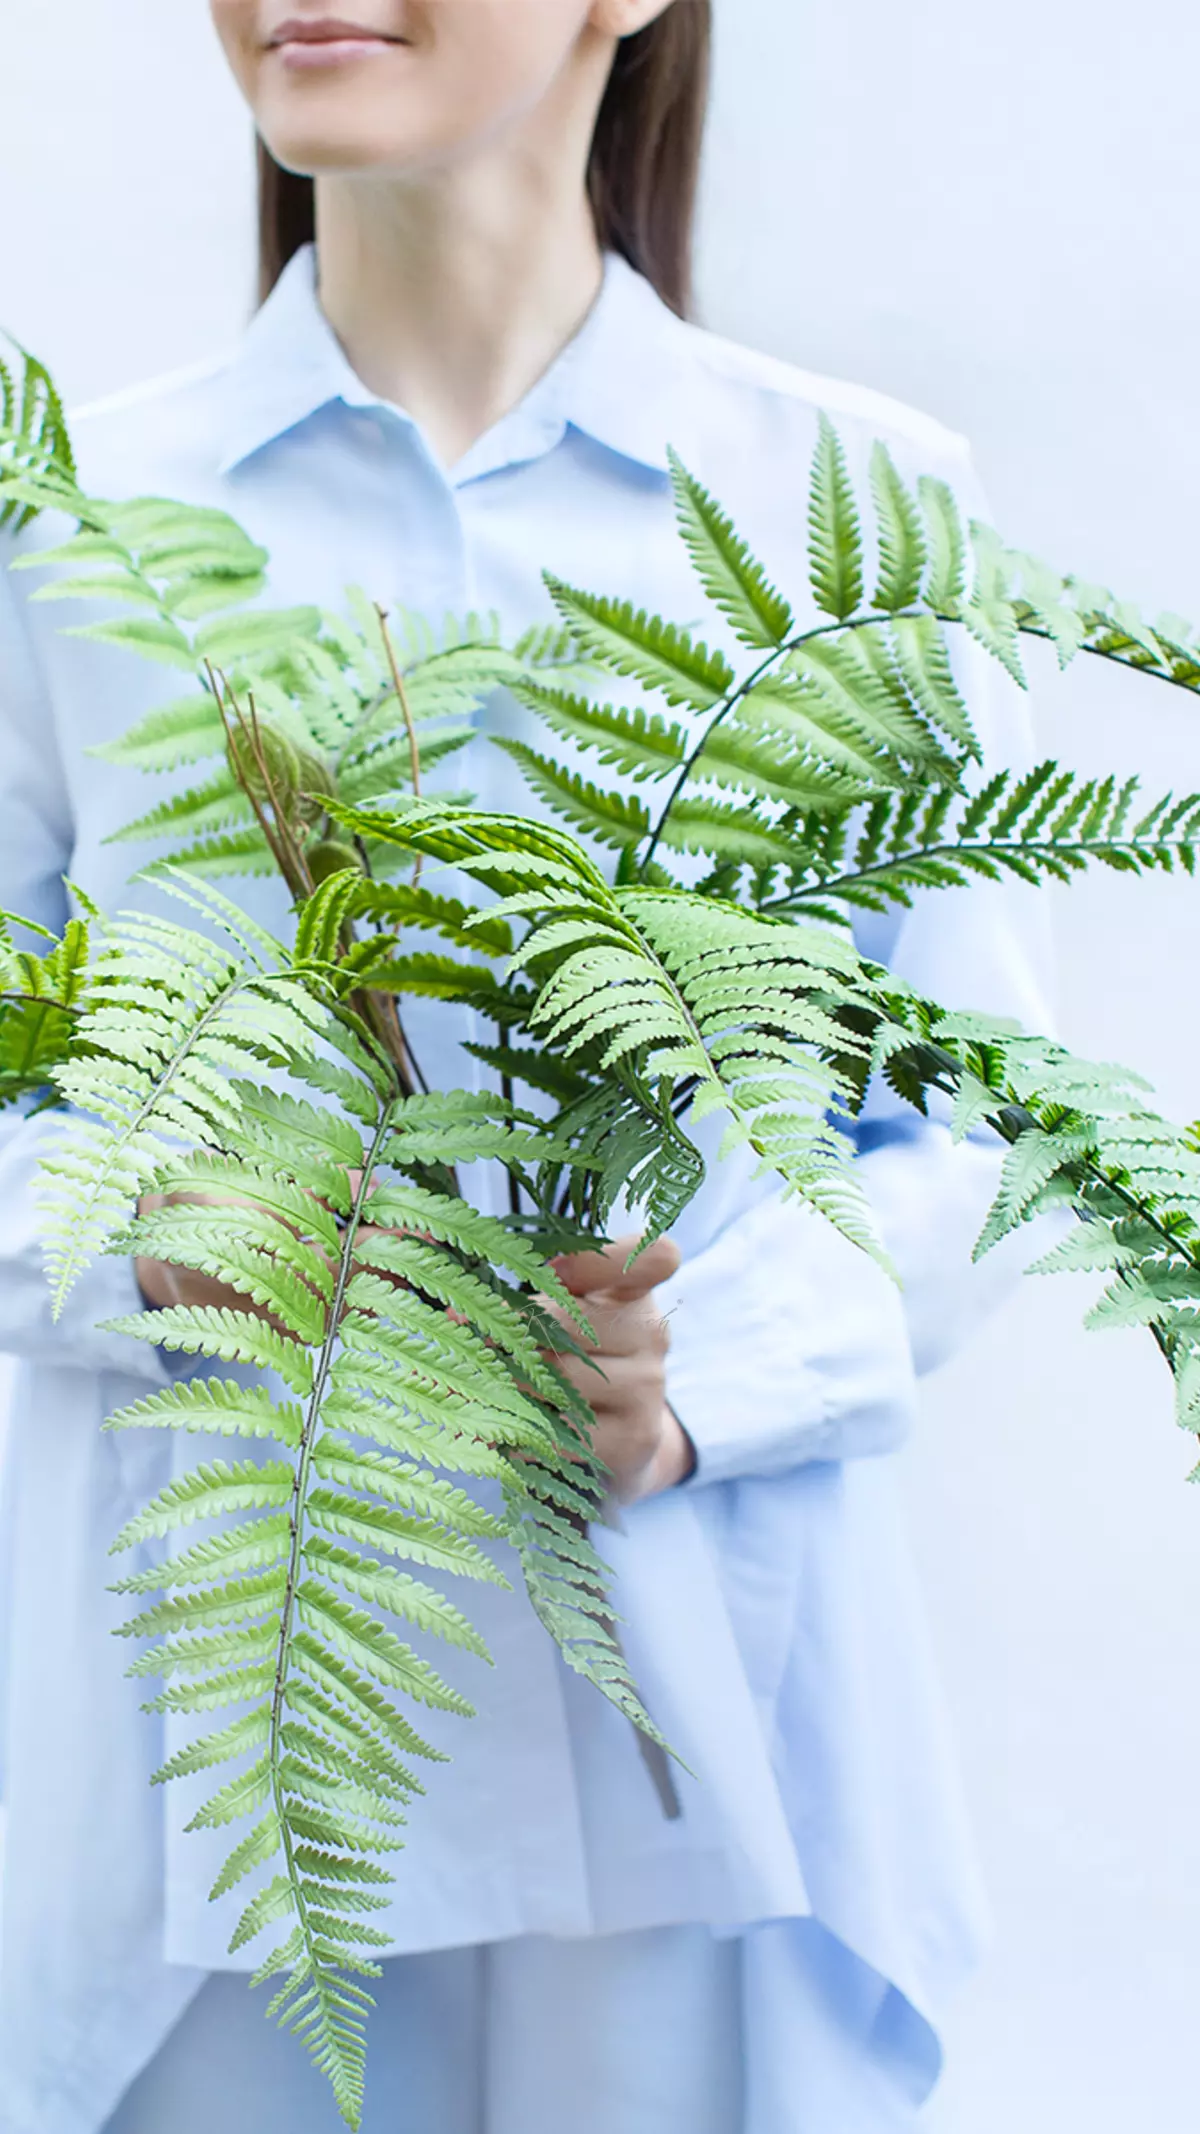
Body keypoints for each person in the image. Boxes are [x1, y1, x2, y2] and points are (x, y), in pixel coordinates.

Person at [0, 5, 1052, 2130]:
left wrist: (698, 1375)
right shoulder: (77, 526)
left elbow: (991, 1125)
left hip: (697, 1716)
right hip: (231, 1723)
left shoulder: (852, 512)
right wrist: (153, 1238)